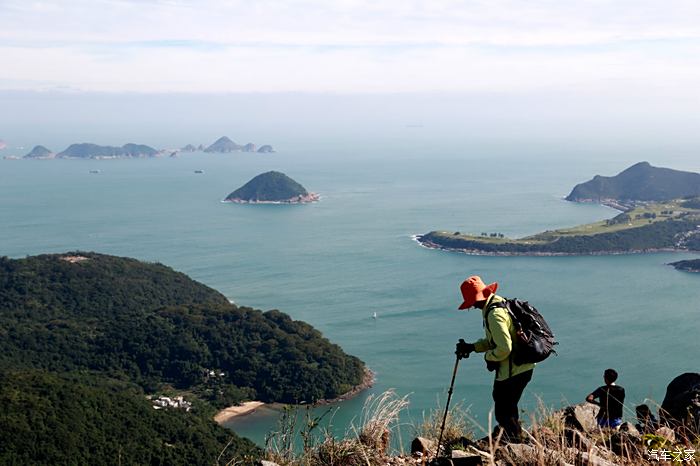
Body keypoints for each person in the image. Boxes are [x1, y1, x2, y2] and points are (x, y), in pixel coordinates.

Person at [454, 275, 535, 442]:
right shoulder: (498, 303)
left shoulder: (494, 314)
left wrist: (488, 357)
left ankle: (516, 444)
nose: (474, 307)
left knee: (504, 411)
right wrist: (472, 347)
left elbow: (504, 348)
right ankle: (514, 440)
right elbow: (495, 341)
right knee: (508, 408)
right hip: (522, 367)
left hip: (513, 370)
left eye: (473, 303)